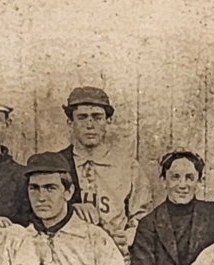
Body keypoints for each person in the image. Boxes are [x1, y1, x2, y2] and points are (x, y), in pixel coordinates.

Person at [59, 85, 153, 254]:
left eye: (97, 117)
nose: (90, 125)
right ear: (70, 122)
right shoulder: (58, 164)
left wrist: (128, 236)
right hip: (69, 254)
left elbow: (143, 214)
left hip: (116, 253)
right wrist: (71, 208)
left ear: (108, 121)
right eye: (82, 117)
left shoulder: (127, 165)